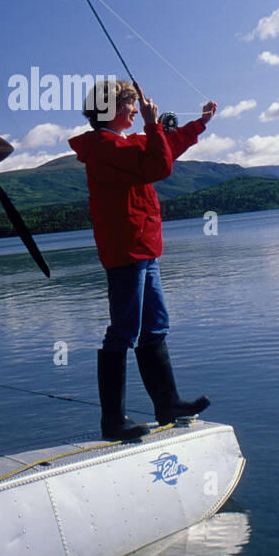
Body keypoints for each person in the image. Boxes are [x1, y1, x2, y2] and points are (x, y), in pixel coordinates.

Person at [69, 80, 218, 440]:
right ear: (111, 109)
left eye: (136, 106)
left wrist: (199, 123)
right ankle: (112, 422)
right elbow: (157, 165)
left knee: (154, 326)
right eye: (130, 105)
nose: (136, 110)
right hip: (126, 252)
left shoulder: (121, 143)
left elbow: (164, 148)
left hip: (144, 250)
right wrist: (152, 125)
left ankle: (167, 404)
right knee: (123, 331)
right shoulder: (104, 147)